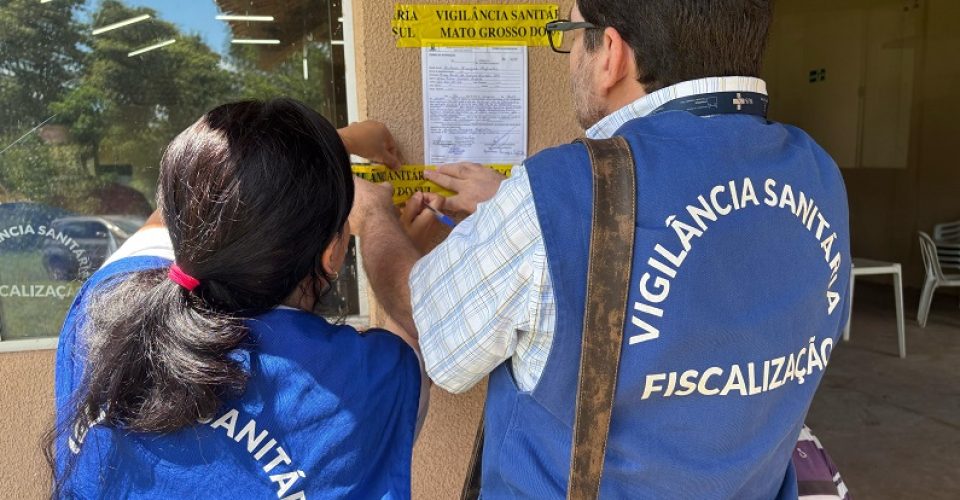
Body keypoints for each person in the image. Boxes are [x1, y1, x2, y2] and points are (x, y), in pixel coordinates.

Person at [351, 0, 851, 498]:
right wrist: (518, 210)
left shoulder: (559, 190)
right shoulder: (819, 172)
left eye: (570, 34)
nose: (570, 54)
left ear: (610, 52)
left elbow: (432, 322)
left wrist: (372, 214)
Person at [49, 98, 427, 499]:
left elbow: (199, 202)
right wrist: (377, 221)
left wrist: (345, 139)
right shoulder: (347, 384)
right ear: (333, 254)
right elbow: (421, 332)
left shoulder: (106, 304)